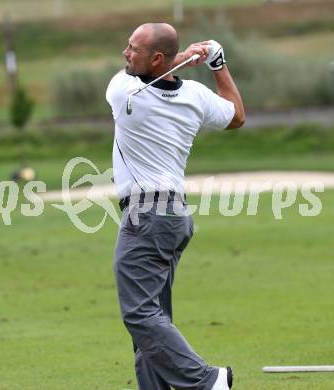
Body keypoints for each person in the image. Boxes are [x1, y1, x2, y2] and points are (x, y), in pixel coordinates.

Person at [106, 22, 245, 390]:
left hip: (145, 218)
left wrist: (183, 58)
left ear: (155, 58)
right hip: (174, 217)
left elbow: (146, 73)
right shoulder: (196, 96)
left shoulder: (125, 93)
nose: (125, 53)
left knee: (139, 315)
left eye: (133, 48)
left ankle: (207, 381)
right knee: (154, 318)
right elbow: (236, 115)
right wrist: (217, 63)